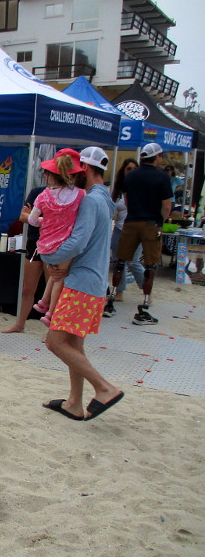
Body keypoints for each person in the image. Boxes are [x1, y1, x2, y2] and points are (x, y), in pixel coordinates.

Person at [41, 146, 124, 421]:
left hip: (82, 282)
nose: (71, 176)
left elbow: (78, 242)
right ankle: (74, 402)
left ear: (85, 169)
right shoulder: (105, 199)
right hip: (93, 282)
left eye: (75, 170)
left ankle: (104, 388)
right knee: (74, 345)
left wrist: (49, 257)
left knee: (54, 342)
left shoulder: (91, 201)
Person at [106, 143, 173, 324]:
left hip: (131, 222)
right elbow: (167, 206)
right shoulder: (162, 177)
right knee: (150, 264)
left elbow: (127, 202)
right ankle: (144, 305)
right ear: (157, 157)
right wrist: (160, 221)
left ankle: (112, 299)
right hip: (151, 223)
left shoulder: (131, 176)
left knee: (120, 261)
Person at [26, 149, 86, 327]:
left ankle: (43, 301)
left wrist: (43, 221)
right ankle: (51, 312)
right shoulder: (80, 195)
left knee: (54, 274)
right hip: (64, 245)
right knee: (59, 277)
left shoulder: (43, 195)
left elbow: (32, 220)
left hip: (44, 246)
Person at [0, 184, 49, 333]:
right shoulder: (37, 192)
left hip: (52, 245)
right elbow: (23, 217)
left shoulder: (65, 195)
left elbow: (58, 222)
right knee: (27, 288)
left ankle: (52, 331)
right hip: (34, 243)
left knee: (52, 289)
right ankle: (20, 324)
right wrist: (37, 219)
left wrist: (34, 217)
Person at [109, 158, 144, 302]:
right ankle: (119, 292)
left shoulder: (141, 188)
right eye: (129, 169)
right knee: (118, 262)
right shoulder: (118, 190)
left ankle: (147, 289)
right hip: (119, 229)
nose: (131, 172)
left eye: (134, 169)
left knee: (133, 262)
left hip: (135, 229)